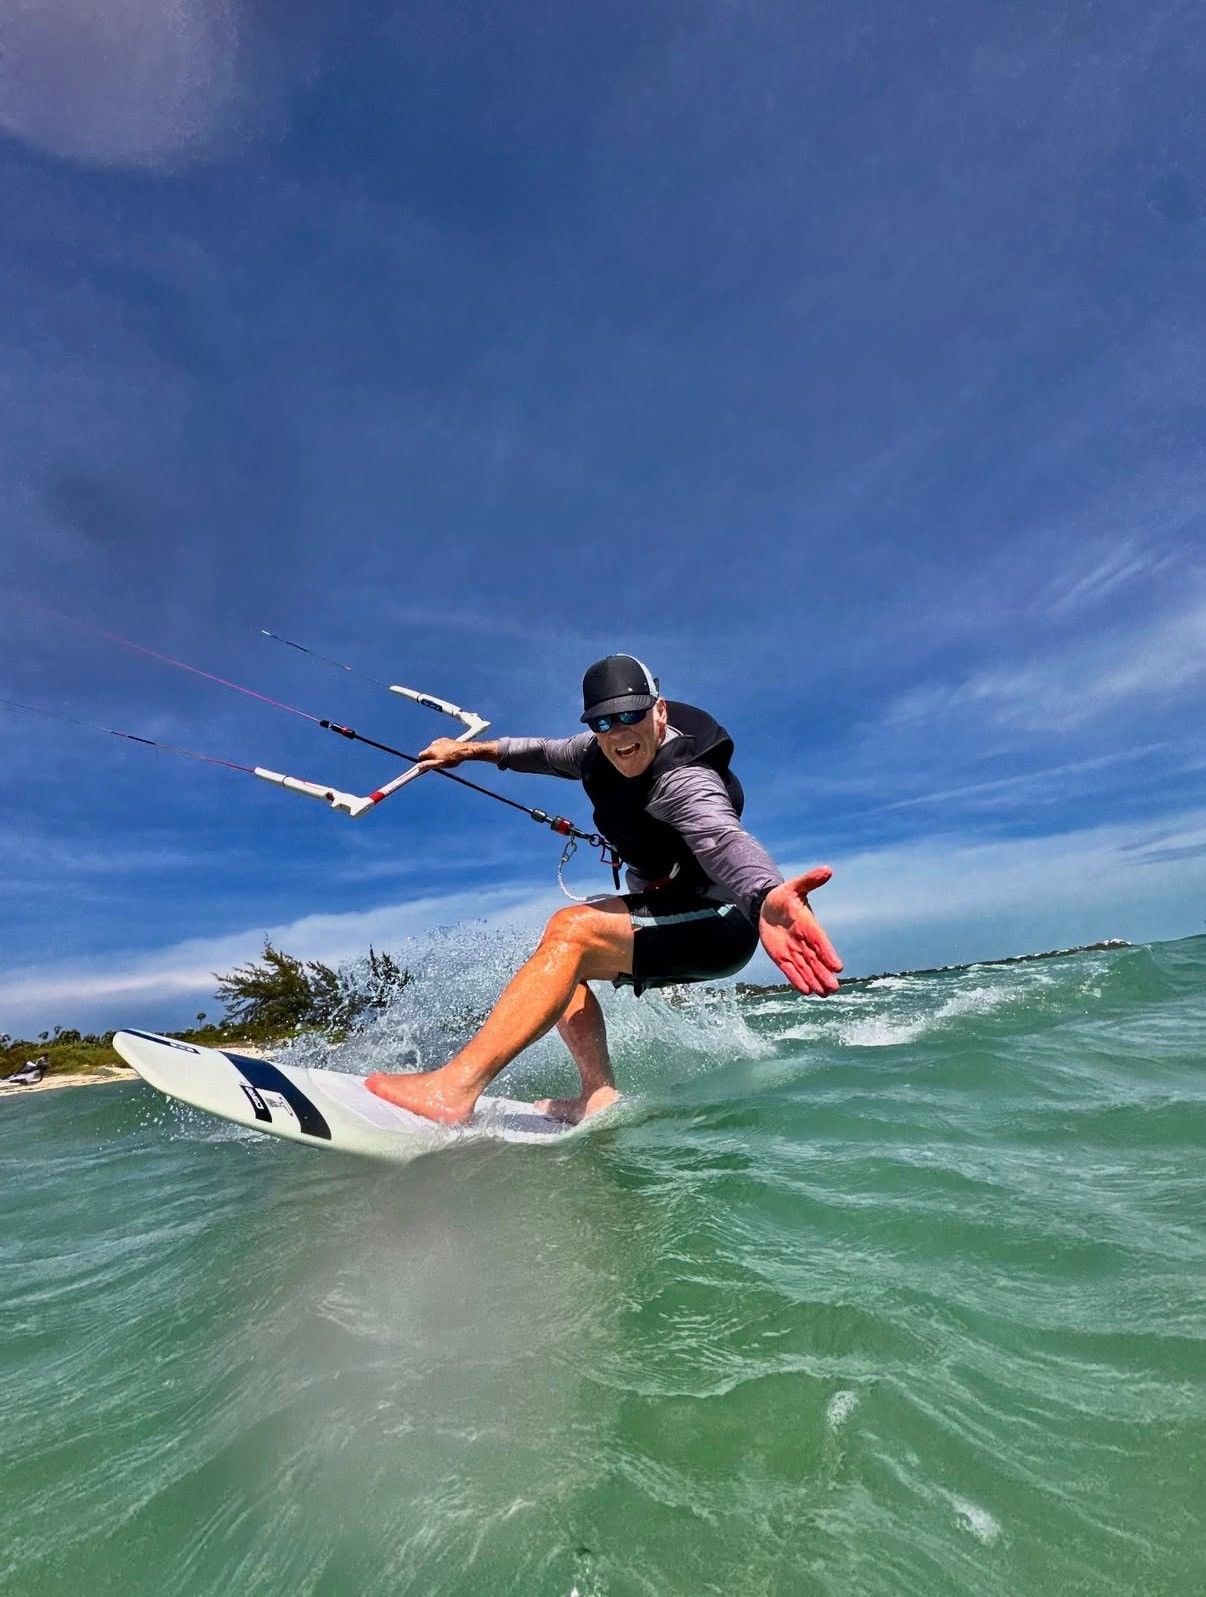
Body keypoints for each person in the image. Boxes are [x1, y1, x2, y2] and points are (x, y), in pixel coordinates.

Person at [367, 654, 842, 1125]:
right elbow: (534, 750)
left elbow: (721, 838)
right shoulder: (593, 751)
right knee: (555, 964)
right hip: (670, 907)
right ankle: (597, 1096)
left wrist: (764, 894)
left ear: (659, 712)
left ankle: (454, 1088)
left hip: (720, 922)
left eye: (631, 715)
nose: (618, 733)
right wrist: (465, 751)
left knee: (571, 930)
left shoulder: (684, 779)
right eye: (603, 721)